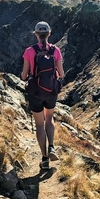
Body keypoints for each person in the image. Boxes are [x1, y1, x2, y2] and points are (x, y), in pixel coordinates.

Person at [21, 21, 65, 170]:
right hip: (51, 90)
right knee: (49, 119)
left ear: (35, 34)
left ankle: (45, 158)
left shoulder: (29, 51)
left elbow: (24, 75)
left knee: (39, 124)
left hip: (35, 92)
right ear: (49, 34)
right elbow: (61, 73)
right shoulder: (56, 51)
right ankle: (52, 146)